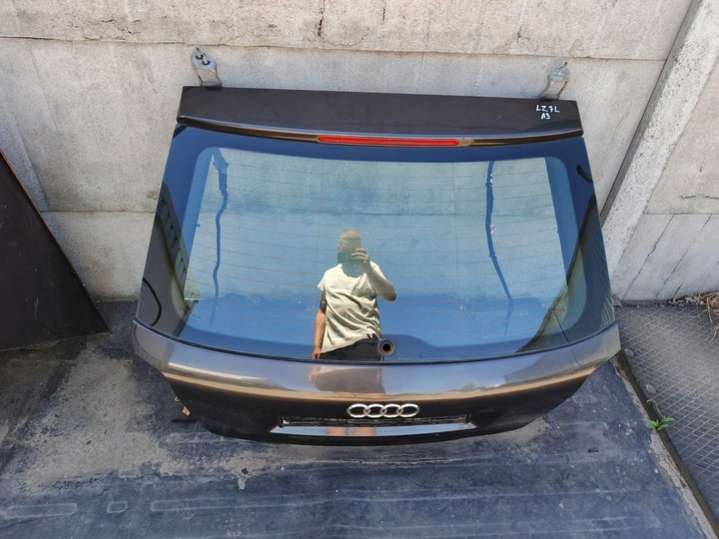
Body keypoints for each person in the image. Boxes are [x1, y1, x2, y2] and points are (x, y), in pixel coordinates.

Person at [311, 229, 396, 363]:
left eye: (352, 243)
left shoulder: (371, 269)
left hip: (363, 343)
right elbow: (322, 312)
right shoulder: (329, 275)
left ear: (359, 247)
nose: (345, 247)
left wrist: (368, 267)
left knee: (363, 377)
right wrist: (317, 346)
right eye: (343, 243)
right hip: (331, 349)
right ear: (339, 246)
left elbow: (390, 296)